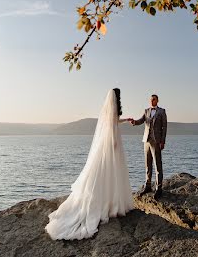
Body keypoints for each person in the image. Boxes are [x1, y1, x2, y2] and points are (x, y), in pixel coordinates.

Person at [45, 88, 134, 240]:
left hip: (108, 142)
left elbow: (112, 121)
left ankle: (111, 201)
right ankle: (111, 203)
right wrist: (114, 143)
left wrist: (125, 120)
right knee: (111, 171)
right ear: (117, 97)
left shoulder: (110, 109)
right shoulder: (113, 107)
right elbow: (112, 125)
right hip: (112, 143)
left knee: (107, 171)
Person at [131, 94, 167, 199]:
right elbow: (141, 121)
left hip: (156, 141)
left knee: (157, 164)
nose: (152, 101)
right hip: (146, 140)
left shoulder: (162, 111)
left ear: (157, 101)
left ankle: (159, 188)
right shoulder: (146, 111)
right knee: (147, 164)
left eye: (154, 100)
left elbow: (164, 127)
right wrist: (134, 122)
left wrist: (162, 141)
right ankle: (148, 186)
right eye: (151, 100)